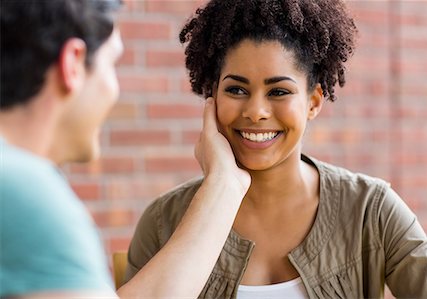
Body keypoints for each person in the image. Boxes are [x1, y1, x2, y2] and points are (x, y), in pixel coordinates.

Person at [125, 0, 427, 298]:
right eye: (236, 89)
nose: (256, 111)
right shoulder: (163, 221)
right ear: (212, 99)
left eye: (278, 91)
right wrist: (222, 186)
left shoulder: (370, 210)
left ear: (313, 102)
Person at [0, 0, 250, 298]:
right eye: (112, 63)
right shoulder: (25, 193)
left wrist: (226, 185)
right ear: (73, 63)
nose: (114, 88)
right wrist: (224, 185)